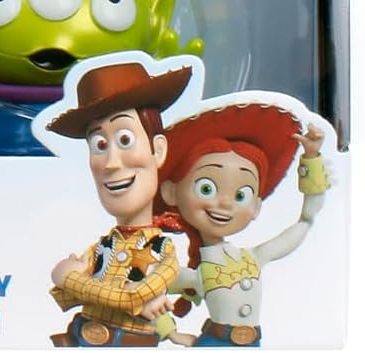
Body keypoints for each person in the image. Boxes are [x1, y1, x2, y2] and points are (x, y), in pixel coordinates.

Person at [44, 59, 193, 347]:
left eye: (125, 139)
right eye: (99, 145)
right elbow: (62, 294)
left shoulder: (163, 251)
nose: (111, 163)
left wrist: (72, 279)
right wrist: (68, 280)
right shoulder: (102, 247)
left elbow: (130, 298)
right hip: (80, 338)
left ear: (158, 149)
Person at [157, 104, 330, 347]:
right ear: (171, 192)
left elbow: (305, 221)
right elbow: (141, 292)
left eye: (241, 195)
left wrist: (311, 158)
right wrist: (170, 332)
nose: (226, 203)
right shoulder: (197, 274)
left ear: (256, 206)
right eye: (207, 188)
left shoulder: (254, 258)